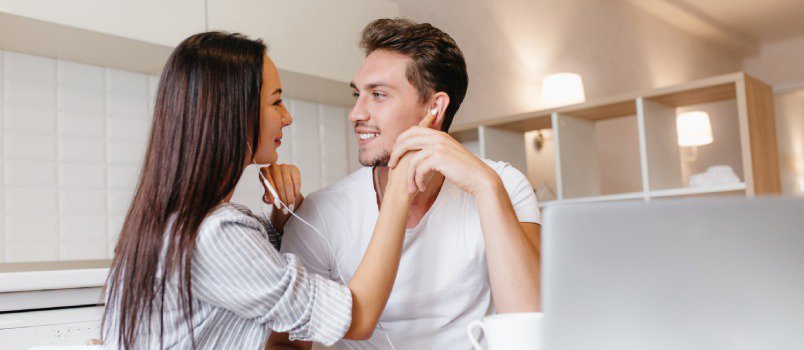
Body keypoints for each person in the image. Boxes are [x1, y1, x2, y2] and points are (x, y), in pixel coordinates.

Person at [101, 31, 422, 349]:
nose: (287, 117)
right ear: (232, 112)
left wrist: (282, 219)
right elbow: (358, 318)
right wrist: (397, 191)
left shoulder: (181, 220)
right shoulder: (216, 236)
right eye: (276, 101)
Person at [267, 19, 541, 349]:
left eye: (378, 95)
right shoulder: (319, 213)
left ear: (435, 107)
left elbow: (528, 321)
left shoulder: (503, 184)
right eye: (357, 94)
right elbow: (286, 345)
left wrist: (486, 185)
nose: (356, 113)